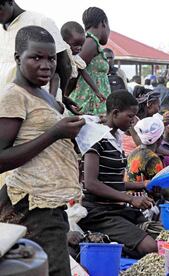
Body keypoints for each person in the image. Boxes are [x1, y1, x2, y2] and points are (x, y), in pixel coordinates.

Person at [0, 26, 85, 275]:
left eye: (51, 58)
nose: (46, 65)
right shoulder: (14, 96)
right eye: (35, 57)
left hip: (49, 203)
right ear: (18, 58)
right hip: (31, 203)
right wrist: (55, 133)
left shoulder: (43, 94)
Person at [79, 91, 159, 259]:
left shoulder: (115, 139)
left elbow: (111, 182)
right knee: (151, 247)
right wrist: (130, 199)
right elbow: (91, 183)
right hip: (99, 212)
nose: (133, 121)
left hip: (117, 208)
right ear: (115, 113)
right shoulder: (96, 139)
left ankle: (115, 245)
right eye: (130, 116)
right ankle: (107, 247)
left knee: (163, 236)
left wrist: (142, 185)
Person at [0, 0, 72, 105]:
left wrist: (59, 97)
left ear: (10, 2)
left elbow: (64, 64)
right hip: (7, 103)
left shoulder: (40, 21)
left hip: (39, 104)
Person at [68, 7, 111, 115]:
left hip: (92, 105)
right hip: (87, 106)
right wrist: (64, 97)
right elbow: (74, 71)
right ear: (103, 23)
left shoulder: (91, 42)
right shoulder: (91, 42)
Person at [61, 21, 102, 115]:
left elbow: (84, 73)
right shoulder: (59, 58)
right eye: (75, 44)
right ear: (63, 42)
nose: (79, 48)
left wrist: (97, 91)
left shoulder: (75, 58)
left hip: (62, 94)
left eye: (81, 45)